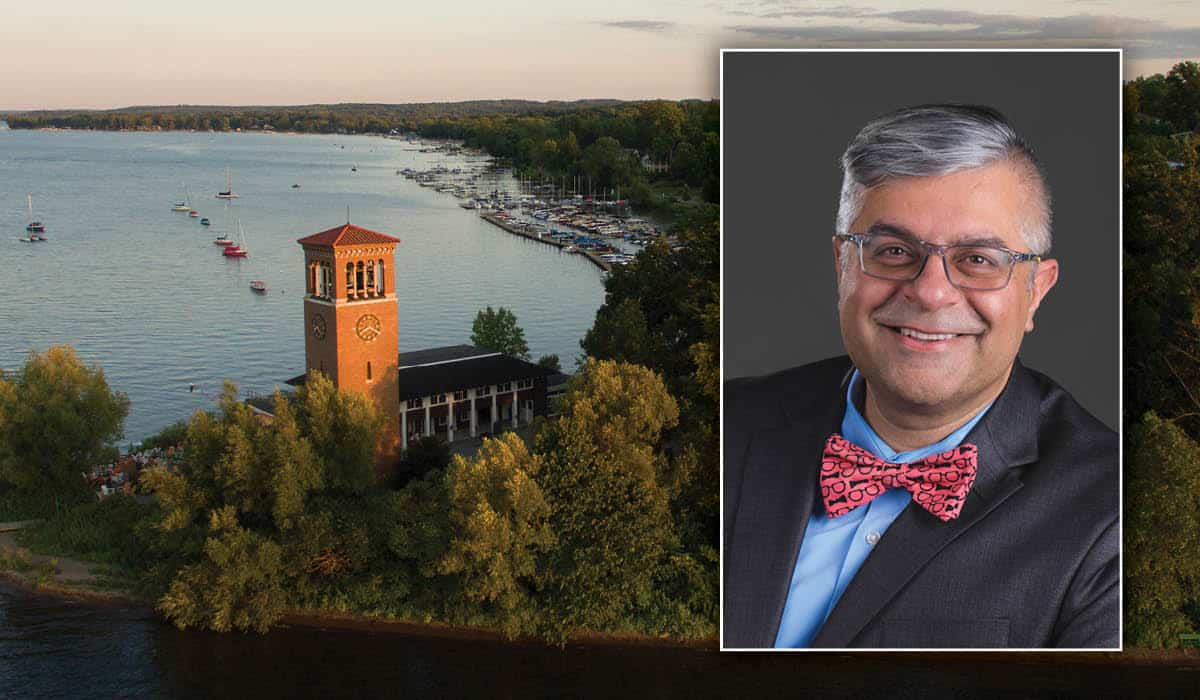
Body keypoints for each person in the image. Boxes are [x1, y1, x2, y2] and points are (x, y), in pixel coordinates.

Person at [722, 104, 1118, 649]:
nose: (931, 292)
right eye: (893, 251)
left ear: (1036, 290)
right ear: (842, 266)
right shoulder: (725, 425)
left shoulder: (1114, 517)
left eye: (979, 259)